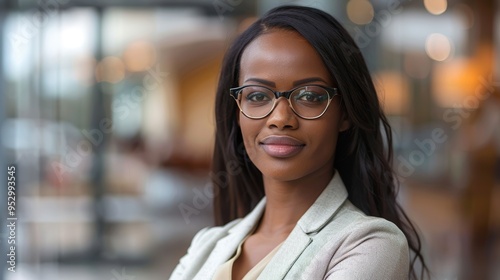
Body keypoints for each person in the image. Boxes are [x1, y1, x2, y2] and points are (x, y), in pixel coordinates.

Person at [170, 5, 428, 280]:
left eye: (310, 96)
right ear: (237, 112)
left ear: (345, 114)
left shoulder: (370, 244)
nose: (281, 118)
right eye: (257, 96)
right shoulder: (207, 245)